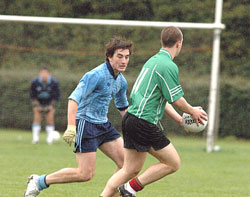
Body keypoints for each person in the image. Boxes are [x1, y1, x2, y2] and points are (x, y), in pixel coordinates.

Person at [100, 26, 208, 197]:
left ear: (162, 41)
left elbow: (163, 100)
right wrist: (192, 111)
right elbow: (176, 100)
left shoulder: (153, 61)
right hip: (143, 121)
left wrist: (181, 120)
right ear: (179, 44)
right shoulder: (168, 65)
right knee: (173, 163)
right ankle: (130, 189)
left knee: (130, 169)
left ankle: (107, 194)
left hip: (131, 118)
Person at [24, 37, 133, 197]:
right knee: (85, 174)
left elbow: (123, 107)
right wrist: (71, 126)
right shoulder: (96, 75)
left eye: (127, 56)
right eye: (120, 56)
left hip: (104, 125)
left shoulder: (121, 82)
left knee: (127, 166)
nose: (124, 60)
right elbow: (73, 99)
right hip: (86, 124)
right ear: (109, 57)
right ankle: (39, 181)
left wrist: (136, 126)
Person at [30, 66, 60, 145]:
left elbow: (56, 96)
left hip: (49, 103)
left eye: (45, 73)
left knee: (50, 119)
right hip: (38, 103)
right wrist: (37, 105)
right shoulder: (35, 82)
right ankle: (35, 139)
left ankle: (49, 139)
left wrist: (51, 105)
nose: (44, 75)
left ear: (48, 74)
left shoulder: (54, 82)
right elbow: (32, 95)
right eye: (42, 73)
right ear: (40, 73)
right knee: (37, 118)